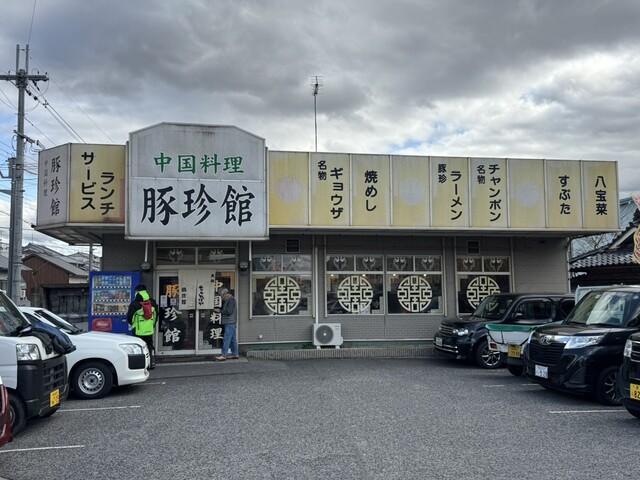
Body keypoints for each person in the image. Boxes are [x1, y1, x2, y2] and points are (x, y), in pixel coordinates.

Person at [126, 284, 158, 369]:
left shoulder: (134, 303)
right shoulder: (152, 302)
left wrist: (133, 324)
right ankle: (151, 363)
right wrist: (152, 325)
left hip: (138, 330)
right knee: (149, 345)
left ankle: (141, 365)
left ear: (137, 292)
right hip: (149, 329)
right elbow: (156, 315)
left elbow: (130, 317)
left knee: (138, 347)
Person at [214, 287, 239, 361]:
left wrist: (220, 311)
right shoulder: (229, 300)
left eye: (221, 295)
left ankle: (223, 355)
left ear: (224, 294)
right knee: (233, 340)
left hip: (230, 322)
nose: (221, 297)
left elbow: (229, 311)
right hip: (231, 322)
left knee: (226, 339)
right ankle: (235, 354)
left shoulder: (231, 300)